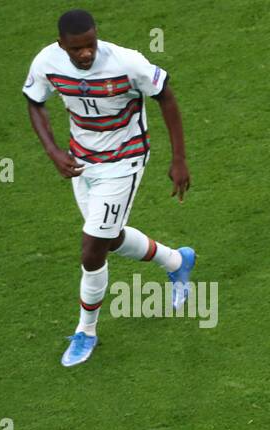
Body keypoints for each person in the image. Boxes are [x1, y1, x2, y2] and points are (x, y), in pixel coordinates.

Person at [24, 9, 195, 367]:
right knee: (108, 238)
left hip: (124, 159)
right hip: (81, 161)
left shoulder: (126, 62)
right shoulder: (47, 62)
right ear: (62, 45)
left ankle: (86, 331)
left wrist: (178, 158)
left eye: (90, 45)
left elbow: (167, 97)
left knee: (91, 249)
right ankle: (178, 261)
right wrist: (54, 152)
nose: (85, 53)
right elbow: (35, 102)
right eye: (77, 49)